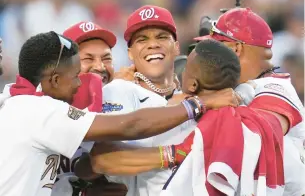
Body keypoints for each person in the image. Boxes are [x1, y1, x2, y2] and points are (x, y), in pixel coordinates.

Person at [0, 31, 235, 196]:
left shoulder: (21, 102)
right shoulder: (35, 109)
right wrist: (197, 105)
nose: (79, 84)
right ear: (55, 79)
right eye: (75, 76)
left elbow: (84, 165)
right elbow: (128, 126)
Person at [89, 39, 300, 196]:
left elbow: (101, 160)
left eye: (186, 67)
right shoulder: (258, 128)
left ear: (191, 85)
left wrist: (176, 153)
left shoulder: (167, 127)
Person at [74, 5, 241, 196]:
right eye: (142, 39)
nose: (153, 44)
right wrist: (176, 153)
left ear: (177, 47)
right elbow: (103, 159)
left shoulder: (200, 94)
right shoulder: (119, 90)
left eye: (162, 37)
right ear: (130, 53)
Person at [194, 7, 305, 196]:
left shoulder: (275, 86)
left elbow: (260, 131)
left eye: (214, 47)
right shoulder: (237, 88)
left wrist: (205, 103)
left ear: (236, 48)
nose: (206, 58)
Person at [50, 21, 127, 196]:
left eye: (106, 58)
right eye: (87, 59)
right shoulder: (42, 108)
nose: (100, 67)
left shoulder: (123, 104)